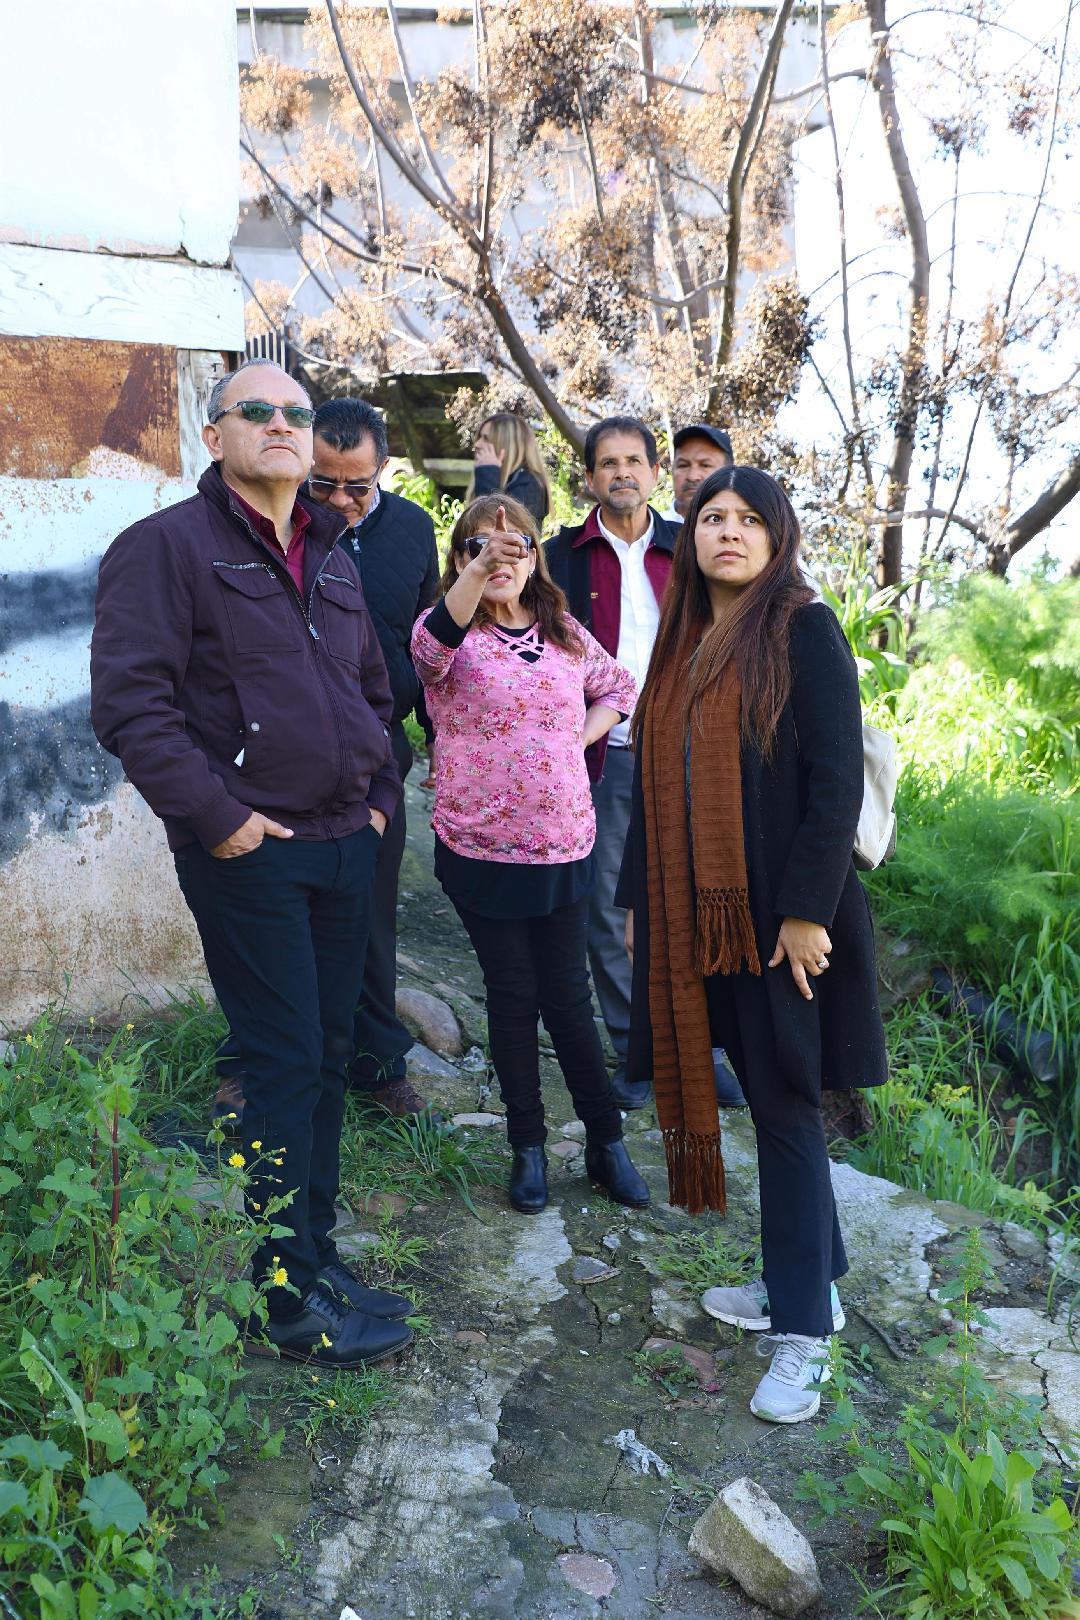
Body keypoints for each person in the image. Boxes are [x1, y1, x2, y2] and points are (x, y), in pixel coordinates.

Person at [91, 360, 415, 1371]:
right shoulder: (165, 550)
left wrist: (378, 794)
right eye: (258, 412)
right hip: (253, 854)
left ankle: (312, 1258)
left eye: (297, 413)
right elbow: (130, 706)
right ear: (215, 433)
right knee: (278, 1064)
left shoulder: (329, 551)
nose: (283, 426)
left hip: (341, 843)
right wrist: (219, 817)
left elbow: (371, 686)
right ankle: (284, 1301)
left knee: (324, 1056)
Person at [618, 464, 888, 1424]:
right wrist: (639, 900)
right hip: (703, 921)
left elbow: (833, 783)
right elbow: (660, 786)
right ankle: (814, 1280)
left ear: (778, 536)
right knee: (772, 1096)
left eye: (746, 518)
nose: (726, 531)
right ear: (690, 538)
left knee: (784, 1107)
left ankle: (803, 1338)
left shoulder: (802, 629)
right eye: (710, 517)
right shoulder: (687, 641)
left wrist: (807, 911)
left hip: (783, 925)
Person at [411, 494, 649, 1215]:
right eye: (480, 546)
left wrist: (579, 738)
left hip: (564, 844)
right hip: (479, 846)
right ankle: (528, 1147)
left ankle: (607, 1145)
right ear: (460, 561)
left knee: (569, 999)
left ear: (538, 557)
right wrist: (479, 572)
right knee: (513, 998)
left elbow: (620, 687)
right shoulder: (446, 633)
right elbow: (427, 654)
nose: (501, 556)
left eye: (516, 545)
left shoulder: (563, 630)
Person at [307, 397, 440, 1117]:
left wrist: (439, 736)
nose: (340, 502)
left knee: (371, 914)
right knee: (281, 911)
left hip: (381, 756)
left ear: (382, 468)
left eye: (356, 485)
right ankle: (264, 1055)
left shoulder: (416, 529)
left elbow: (429, 640)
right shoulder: (283, 524)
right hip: (290, 750)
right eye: (322, 483)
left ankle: (378, 1064)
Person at [545, 417, 678, 1110]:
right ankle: (635, 1049)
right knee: (607, 904)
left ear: (656, 472)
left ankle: (704, 1048)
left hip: (688, 754)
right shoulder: (560, 555)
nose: (622, 472)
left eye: (634, 461)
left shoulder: (692, 547)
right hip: (603, 753)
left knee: (693, 899)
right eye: (608, 463)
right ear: (590, 478)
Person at [470, 412, 552, 527]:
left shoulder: (528, 485)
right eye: (479, 438)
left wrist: (488, 474)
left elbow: (491, 529)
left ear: (507, 445)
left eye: (486, 439)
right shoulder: (509, 480)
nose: (477, 444)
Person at [660, 424, 734, 525]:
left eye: (705, 465)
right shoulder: (650, 532)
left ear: (729, 473)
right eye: (683, 465)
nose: (692, 476)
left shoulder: (744, 532)